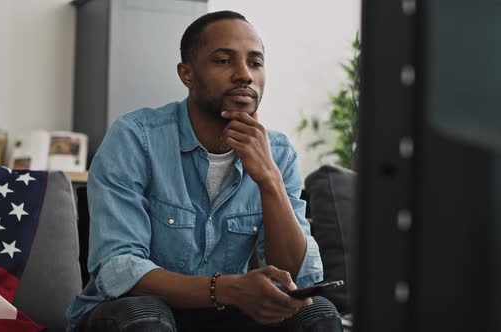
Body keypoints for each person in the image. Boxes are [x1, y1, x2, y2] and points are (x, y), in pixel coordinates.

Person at [66, 10, 342, 332]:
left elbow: (295, 277)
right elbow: (119, 270)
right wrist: (228, 289)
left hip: (229, 314)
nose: (245, 75)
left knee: (317, 312)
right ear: (187, 74)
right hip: (135, 310)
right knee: (145, 316)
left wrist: (270, 181)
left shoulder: (278, 153)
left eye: (255, 63)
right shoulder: (135, 138)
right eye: (224, 61)